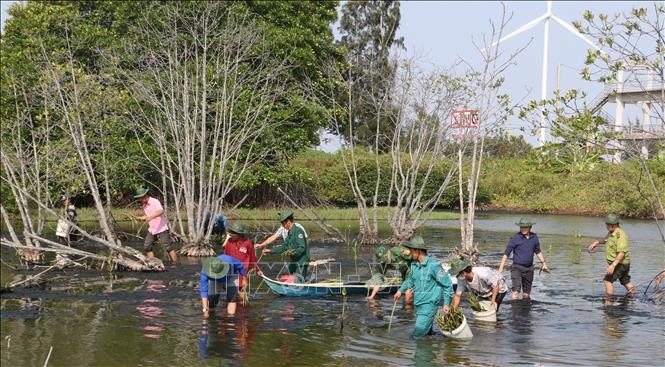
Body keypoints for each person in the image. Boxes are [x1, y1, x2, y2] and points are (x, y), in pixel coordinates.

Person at [393, 236, 454, 338]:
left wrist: (446, 304)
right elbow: (410, 281)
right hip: (418, 306)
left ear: (418, 250)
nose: (410, 253)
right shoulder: (414, 265)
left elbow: (447, 285)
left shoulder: (433, 265)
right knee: (427, 335)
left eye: (412, 250)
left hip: (429, 306)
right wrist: (400, 291)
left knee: (416, 336)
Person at [498, 217, 549, 300]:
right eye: (521, 227)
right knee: (516, 291)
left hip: (529, 269)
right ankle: (514, 311)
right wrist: (501, 268)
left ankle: (525, 311)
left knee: (526, 294)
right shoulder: (515, 238)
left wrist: (544, 263)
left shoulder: (534, 237)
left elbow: (538, 251)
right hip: (517, 268)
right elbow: (506, 253)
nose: (523, 229)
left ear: (530, 227)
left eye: (525, 227)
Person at [587, 213, 635, 297]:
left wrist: (613, 265)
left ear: (613, 225)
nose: (606, 226)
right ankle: (633, 297)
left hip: (620, 263)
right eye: (606, 224)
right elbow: (606, 240)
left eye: (607, 224)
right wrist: (596, 243)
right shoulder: (611, 232)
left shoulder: (620, 235)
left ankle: (609, 303)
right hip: (622, 263)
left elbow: (622, 253)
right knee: (625, 282)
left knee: (607, 281)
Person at [261, 211, 310, 282]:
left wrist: (293, 252)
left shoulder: (298, 231)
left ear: (288, 222)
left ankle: (299, 283)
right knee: (283, 277)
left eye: (283, 223)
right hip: (294, 260)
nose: (282, 226)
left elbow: (302, 248)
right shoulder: (289, 232)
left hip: (301, 261)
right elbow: (284, 247)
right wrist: (271, 251)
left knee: (296, 280)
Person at [133, 187, 177, 265]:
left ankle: (175, 264)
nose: (140, 200)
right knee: (147, 246)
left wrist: (150, 217)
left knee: (168, 247)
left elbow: (161, 211)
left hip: (161, 228)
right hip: (152, 229)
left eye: (140, 198)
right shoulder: (144, 205)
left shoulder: (154, 201)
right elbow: (147, 216)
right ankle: (153, 263)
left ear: (145, 196)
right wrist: (141, 218)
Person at [224, 222, 264, 297]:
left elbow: (252, 258)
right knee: (230, 293)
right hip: (231, 271)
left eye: (233, 233)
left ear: (239, 234)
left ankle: (243, 306)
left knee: (242, 291)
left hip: (243, 272)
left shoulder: (247, 243)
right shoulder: (229, 242)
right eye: (231, 233)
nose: (231, 235)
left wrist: (257, 270)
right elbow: (225, 256)